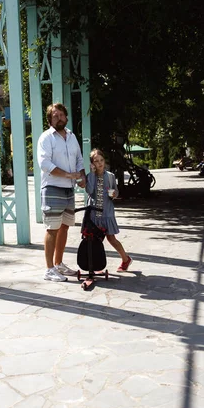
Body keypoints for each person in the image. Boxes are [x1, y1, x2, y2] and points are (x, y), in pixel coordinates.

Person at [37, 103, 86, 282]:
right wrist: (67, 174)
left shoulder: (72, 136)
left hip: (68, 189)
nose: (58, 118)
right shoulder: (46, 138)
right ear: (50, 120)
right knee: (52, 228)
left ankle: (58, 264)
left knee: (65, 226)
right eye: (54, 116)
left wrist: (82, 176)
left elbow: (79, 159)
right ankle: (49, 269)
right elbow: (44, 164)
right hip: (52, 187)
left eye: (61, 115)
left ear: (66, 117)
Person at [86, 148, 132, 272]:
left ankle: (126, 259)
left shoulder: (110, 176)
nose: (100, 163)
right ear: (92, 164)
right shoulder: (90, 176)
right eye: (96, 161)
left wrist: (114, 194)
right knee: (94, 240)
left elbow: (116, 191)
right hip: (94, 214)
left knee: (111, 238)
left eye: (101, 160)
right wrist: (91, 173)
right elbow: (89, 191)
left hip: (107, 213)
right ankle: (96, 265)